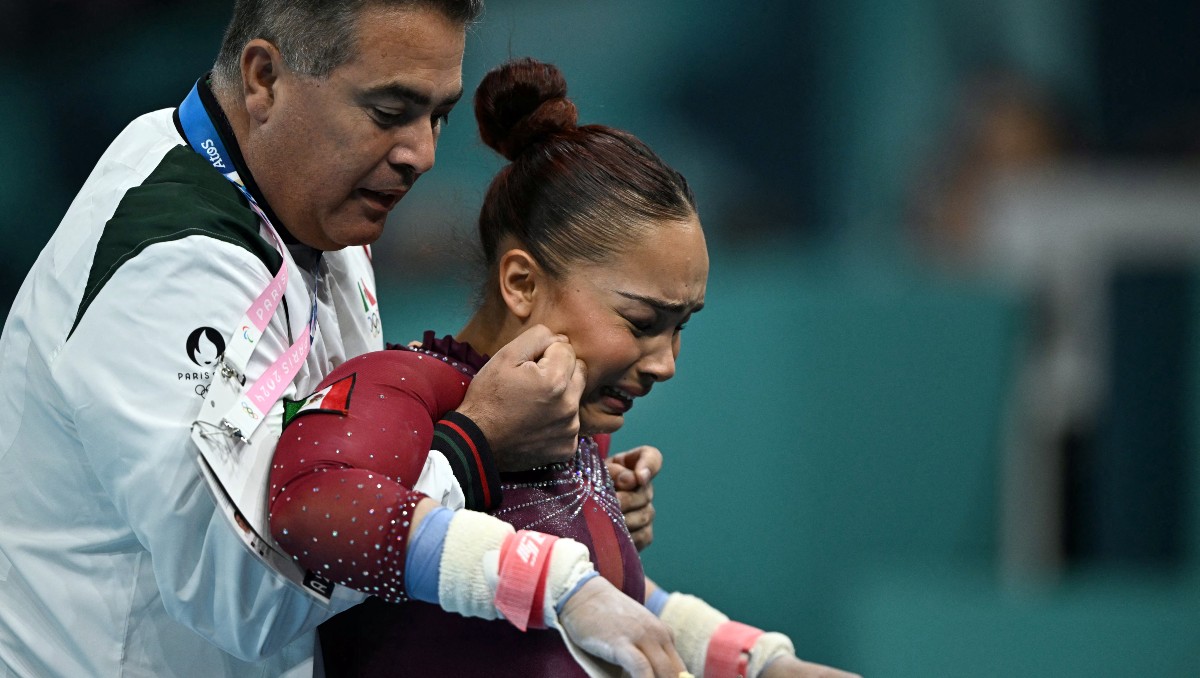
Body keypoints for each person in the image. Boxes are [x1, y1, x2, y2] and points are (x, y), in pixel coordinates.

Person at [0, 2, 660, 676]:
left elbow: (340, 462)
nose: (422, 154)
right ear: (263, 79)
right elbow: (249, 598)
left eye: (437, 116)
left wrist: (546, 498)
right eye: (389, 112)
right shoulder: (166, 269)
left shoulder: (306, 198)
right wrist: (477, 451)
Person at [268, 57, 859, 678]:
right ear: (521, 283)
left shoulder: (570, 429)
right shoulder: (401, 388)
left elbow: (615, 608)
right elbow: (309, 510)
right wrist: (558, 582)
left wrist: (760, 664)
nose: (666, 364)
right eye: (642, 321)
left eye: (680, 326)